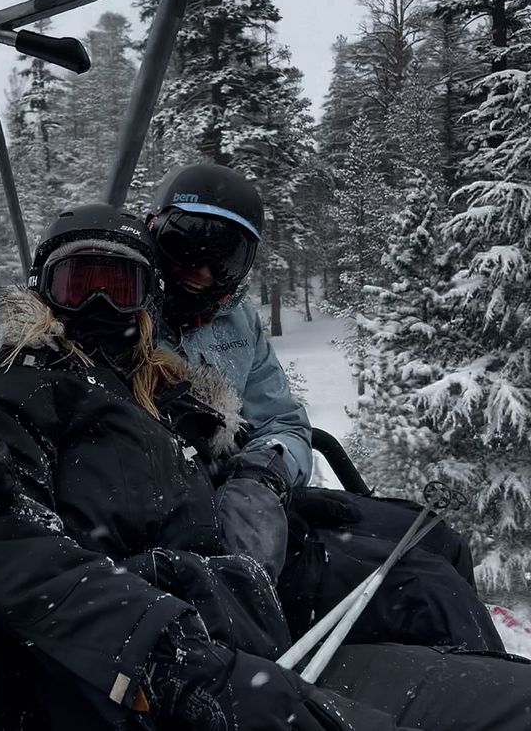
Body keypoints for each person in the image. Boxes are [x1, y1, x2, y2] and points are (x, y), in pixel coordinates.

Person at [0, 203, 531, 731]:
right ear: (43, 293)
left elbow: (227, 451)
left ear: (147, 300)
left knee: (426, 583)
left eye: (121, 289)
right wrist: (171, 658)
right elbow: (18, 541)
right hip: (192, 649)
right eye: (78, 284)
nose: (100, 309)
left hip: (243, 602)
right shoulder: (27, 382)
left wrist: (267, 480)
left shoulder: (148, 384)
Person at [145, 163, 501, 649]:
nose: (203, 272)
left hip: (262, 507)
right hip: (196, 535)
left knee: (436, 539)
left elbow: (285, 422)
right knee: (428, 594)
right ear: (154, 233)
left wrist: (265, 473)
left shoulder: (235, 322)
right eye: (187, 246)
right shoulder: (122, 313)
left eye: (225, 257)